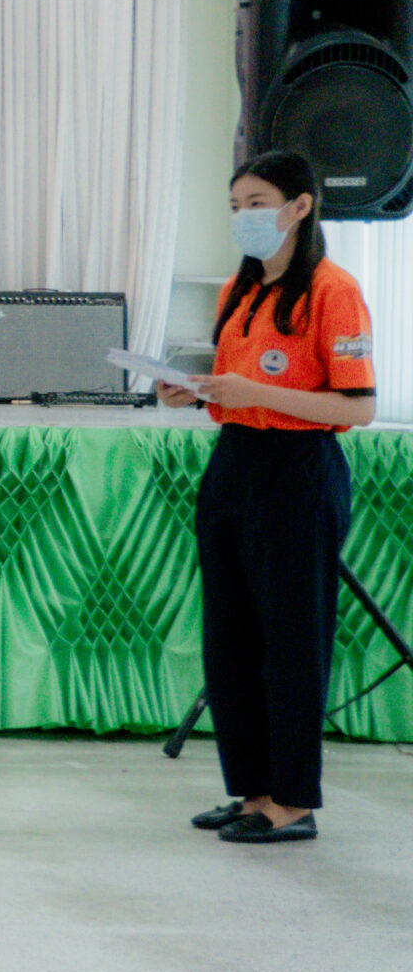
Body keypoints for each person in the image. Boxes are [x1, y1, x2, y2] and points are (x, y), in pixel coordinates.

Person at [158, 149, 377, 844]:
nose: (243, 217)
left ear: (299, 207)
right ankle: (252, 790)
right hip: (236, 463)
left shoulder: (333, 291)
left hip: (298, 471)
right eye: (235, 207)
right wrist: (196, 393)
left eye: (256, 204)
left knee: (291, 639)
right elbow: (236, 390)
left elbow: (358, 406)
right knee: (231, 637)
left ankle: (293, 801)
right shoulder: (240, 289)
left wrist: (255, 392)